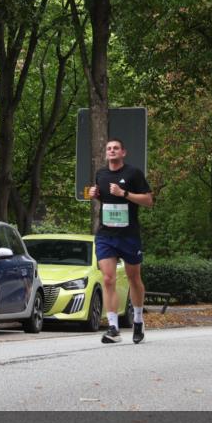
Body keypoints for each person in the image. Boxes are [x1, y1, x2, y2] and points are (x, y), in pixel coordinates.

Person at [88, 138, 154, 344]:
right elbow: (105, 199)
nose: (112, 151)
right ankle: (113, 327)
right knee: (108, 279)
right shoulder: (101, 174)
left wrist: (124, 193)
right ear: (106, 153)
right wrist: (94, 194)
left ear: (123, 152)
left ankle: (137, 320)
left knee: (134, 278)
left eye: (116, 148)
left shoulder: (133, 173)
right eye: (109, 148)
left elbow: (149, 201)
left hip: (129, 235)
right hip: (106, 234)